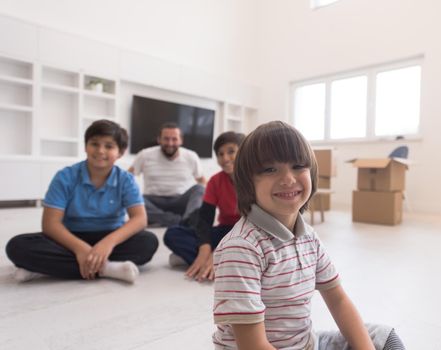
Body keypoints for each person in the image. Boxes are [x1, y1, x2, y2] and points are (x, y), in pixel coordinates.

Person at [212, 121, 405, 349]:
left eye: (298, 166)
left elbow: (338, 299)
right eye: (270, 169)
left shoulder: (309, 237)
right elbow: (252, 346)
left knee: (384, 338)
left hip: (307, 343)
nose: (288, 178)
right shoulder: (242, 248)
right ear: (247, 182)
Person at [5, 119, 159, 284]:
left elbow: (140, 219)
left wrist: (106, 244)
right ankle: (108, 268)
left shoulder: (126, 180)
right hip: (69, 238)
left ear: (120, 152)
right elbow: (50, 224)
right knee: (17, 246)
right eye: (94, 144)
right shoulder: (65, 177)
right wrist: (80, 249)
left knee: (148, 242)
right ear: (86, 146)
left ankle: (42, 269)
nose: (100, 151)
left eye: (109, 146)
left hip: (109, 236)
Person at [164, 131, 245, 282]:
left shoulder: (256, 180)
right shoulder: (215, 181)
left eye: (231, 152)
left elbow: (253, 224)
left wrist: (218, 253)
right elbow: (205, 219)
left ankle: (213, 262)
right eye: (220, 154)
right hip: (225, 230)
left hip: (248, 232)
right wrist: (205, 247)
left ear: (245, 151)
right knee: (172, 234)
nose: (225, 158)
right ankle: (213, 262)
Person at [129, 122, 206, 227]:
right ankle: (182, 221)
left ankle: (167, 219)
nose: (170, 143)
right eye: (166, 139)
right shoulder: (144, 155)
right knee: (132, 196)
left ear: (181, 141)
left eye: (174, 139)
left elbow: (202, 181)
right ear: (159, 140)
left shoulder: (191, 156)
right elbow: (127, 177)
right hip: (152, 202)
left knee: (199, 189)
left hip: (179, 201)